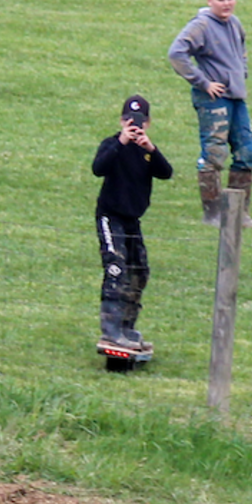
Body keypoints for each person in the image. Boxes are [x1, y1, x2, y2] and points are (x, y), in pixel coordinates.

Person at [169, 0, 252, 228]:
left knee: (248, 151)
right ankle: (213, 215)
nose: (227, 3)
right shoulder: (200, 26)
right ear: (209, 0)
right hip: (212, 98)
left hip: (236, 96)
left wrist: (242, 73)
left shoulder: (235, 23)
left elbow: (242, 51)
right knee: (214, 154)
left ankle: (238, 215)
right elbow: (176, 53)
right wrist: (203, 82)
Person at [91, 94, 174, 355]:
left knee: (139, 270)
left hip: (132, 220)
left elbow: (166, 172)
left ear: (148, 123)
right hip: (110, 215)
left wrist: (150, 149)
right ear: (121, 120)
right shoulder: (111, 144)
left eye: (138, 121)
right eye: (128, 119)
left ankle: (127, 327)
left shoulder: (146, 152)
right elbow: (98, 168)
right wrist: (121, 141)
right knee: (116, 267)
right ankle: (111, 330)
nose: (132, 124)